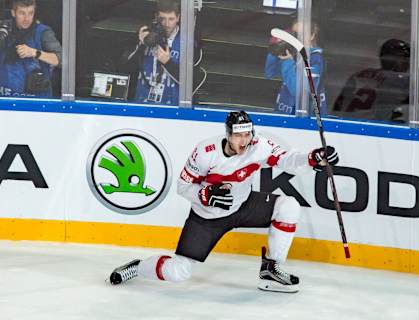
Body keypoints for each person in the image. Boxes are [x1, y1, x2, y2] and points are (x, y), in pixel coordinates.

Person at [108, 110, 339, 293]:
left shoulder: (258, 146)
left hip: (244, 206)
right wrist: (205, 195)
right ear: (228, 135)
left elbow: (287, 159)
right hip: (207, 218)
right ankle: (138, 267)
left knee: (289, 207)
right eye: (238, 135)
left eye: (247, 134)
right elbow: (183, 185)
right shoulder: (205, 152)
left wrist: (312, 158)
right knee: (178, 273)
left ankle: (271, 269)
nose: (244, 140)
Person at [333, 38, 419, 121]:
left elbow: (337, 107)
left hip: (351, 128)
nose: (408, 63)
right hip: (380, 132)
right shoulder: (403, 80)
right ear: (397, 60)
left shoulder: (359, 75)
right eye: (406, 59)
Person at [0, 0, 61, 97]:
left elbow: (60, 60)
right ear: (13, 13)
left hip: (34, 100)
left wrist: (35, 53)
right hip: (2, 96)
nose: (27, 18)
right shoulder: (3, 27)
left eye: (30, 13)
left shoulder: (43, 32)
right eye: (22, 13)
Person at [119, 0, 195, 105]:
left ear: (178, 18)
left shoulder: (188, 43)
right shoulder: (146, 36)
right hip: (141, 103)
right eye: (162, 19)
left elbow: (191, 83)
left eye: (171, 19)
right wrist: (139, 43)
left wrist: (168, 62)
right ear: (156, 17)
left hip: (171, 109)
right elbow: (123, 68)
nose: (167, 24)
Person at [265, 20, 327, 115]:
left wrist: (287, 62)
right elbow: (270, 73)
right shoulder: (293, 53)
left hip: (305, 118)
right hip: (283, 111)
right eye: (294, 34)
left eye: (301, 34)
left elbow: (300, 92)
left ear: (312, 36)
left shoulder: (315, 58)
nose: (296, 38)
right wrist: (276, 48)